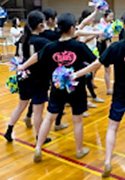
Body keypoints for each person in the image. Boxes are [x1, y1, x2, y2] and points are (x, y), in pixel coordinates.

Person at [72, 0, 125, 178]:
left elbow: (95, 65)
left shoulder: (116, 47)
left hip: (120, 94)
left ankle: (107, 161)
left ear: (122, 26)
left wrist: (76, 75)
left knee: (112, 127)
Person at [18, 13, 97, 162]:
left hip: (57, 88)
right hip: (77, 89)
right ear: (72, 29)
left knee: (49, 118)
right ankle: (79, 150)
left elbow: (36, 57)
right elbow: (96, 62)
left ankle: (38, 148)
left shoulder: (50, 46)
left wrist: (23, 65)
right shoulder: (79, 46)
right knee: (77, 120)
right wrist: (79, 73)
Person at [4, 11, 51, 144]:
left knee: (20, 106)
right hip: (38, 80)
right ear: (41, 25)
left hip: (23, 78)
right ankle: (39, 137)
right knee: (38, 111)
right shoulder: (42, 42)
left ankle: (9, 130)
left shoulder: (21, 39)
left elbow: (16, 58)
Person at [97, 9, 114, 95]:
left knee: (97, 67)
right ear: (105, 17)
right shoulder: (102, 26)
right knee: (107, 69)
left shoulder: (109, 25)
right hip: (103, 48)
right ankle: (109, 89)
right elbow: (104, 40)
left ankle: (91, 82)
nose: (112, 18)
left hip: (104, 47)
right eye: (110, 16)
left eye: (112, 16)